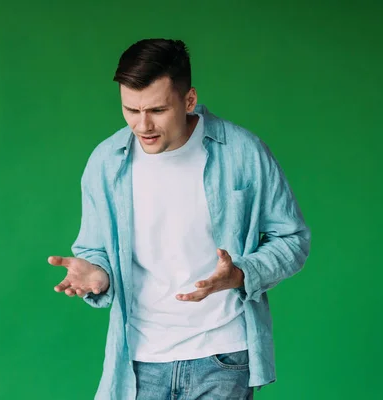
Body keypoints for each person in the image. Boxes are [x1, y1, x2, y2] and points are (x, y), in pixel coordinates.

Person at [48, 38, 311, 400]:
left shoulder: (242, 152)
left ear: (188, 100)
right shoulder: (106, 163)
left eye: (157, 110)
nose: (143, 125)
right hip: (138, 361)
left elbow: (292, 239)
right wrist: (98, 275)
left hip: (223, 355)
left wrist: (240, 273)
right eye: (131, 110)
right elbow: (96, 252)